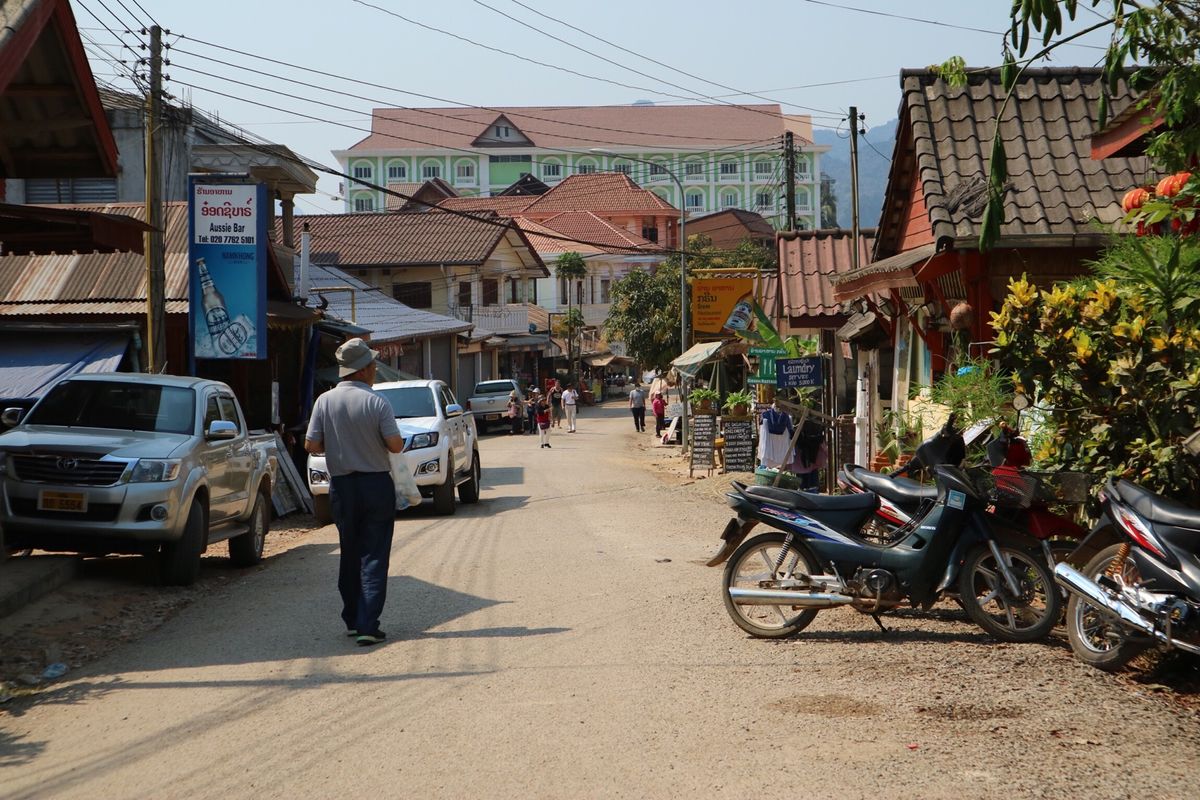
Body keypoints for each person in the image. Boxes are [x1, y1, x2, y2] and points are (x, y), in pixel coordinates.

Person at [305, 338, 405, 647]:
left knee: (350, 551)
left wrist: (338, 443)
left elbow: (312, 445)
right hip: (375, 484)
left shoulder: (324, 401)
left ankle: (351, 618)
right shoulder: (377, 402)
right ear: (362, 370)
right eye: (373, 365)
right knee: (374, 555)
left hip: (342, 487)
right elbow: (395, 445)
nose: (375, 370)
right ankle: (367, 624)